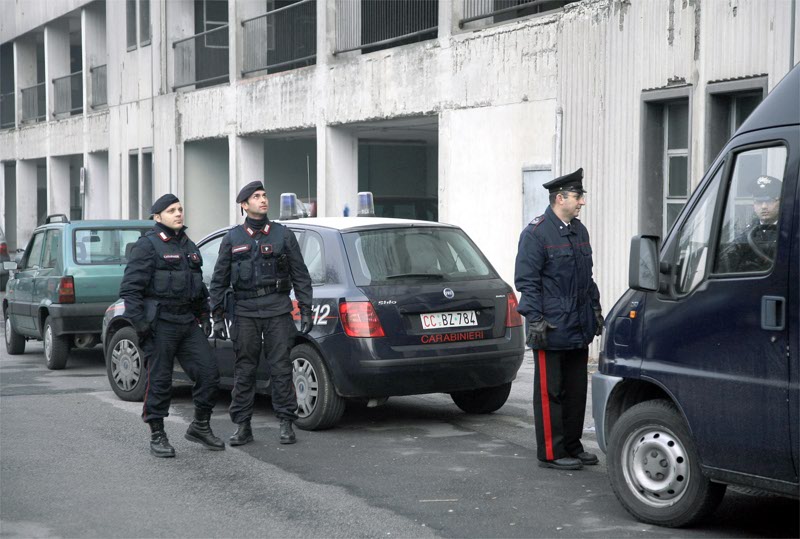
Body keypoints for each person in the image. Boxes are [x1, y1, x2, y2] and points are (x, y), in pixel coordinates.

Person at [120, 194, 225, 458]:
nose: (178, 213)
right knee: (160, 381)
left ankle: (200, 425)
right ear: (158, 217)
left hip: (187, 322)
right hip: (160, 323)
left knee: (209, 374)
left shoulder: (189, 245)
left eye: (180, 209)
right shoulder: (147, 246)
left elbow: (198, 286)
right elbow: (130, 291)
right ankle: (157, 433)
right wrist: (142, 326)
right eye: (171, 210)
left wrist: (203, 315)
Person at [210, 181, 314, 446]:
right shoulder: (233, 238)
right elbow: (219, 281)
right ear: (244, 205)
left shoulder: (282, 234)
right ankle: (243, 426)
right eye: (256, 197)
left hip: (277, 309)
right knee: (244, 370)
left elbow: (300, 275)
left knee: (281, 368)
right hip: (245, 312)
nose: (263, 200)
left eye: (264, 195)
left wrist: (305, 308)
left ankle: (286, 423)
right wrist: (218, 316)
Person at [514, 168, 603, 471]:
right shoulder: (536, 233)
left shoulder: (579, 230)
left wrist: (595, 309)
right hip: (550, 326)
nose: (582, 203)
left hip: (577, 324)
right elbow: (527, 282)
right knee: (550, 392)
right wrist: (535, 320)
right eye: (578, 197)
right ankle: (551, 452)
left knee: (576, 390)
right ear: (560, 198)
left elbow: (586, 278)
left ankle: (573, 446)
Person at [718, 175, 782, 273]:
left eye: (769, 201)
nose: (764, 206)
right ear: (754, 205)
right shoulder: (747, 233)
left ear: (780, 202)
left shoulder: (790, 230)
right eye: (759, 202)